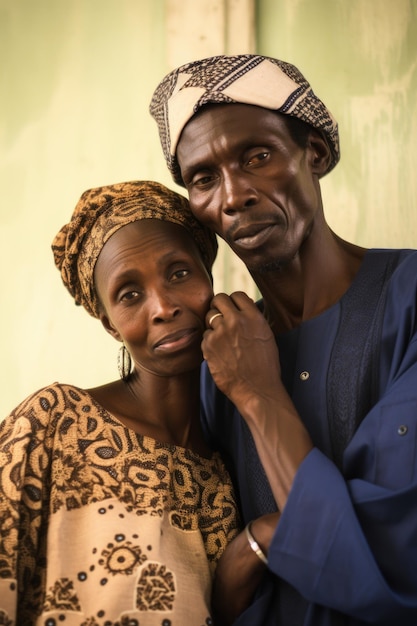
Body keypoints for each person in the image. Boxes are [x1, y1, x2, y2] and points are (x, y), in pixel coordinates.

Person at [149, 55, 417, 625]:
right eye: (203, 178)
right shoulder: (212, 355)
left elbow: (386, 561)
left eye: (258, 156)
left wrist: (255, 394)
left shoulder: (409, 300)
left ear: (313, 153)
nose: (233, 194)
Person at [0, 180, 241, 625]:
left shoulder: (223, 474)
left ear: (208, 276)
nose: (162, 307)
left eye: (179, 273)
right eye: (130, 295)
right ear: (111, 325)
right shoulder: (53, 424)